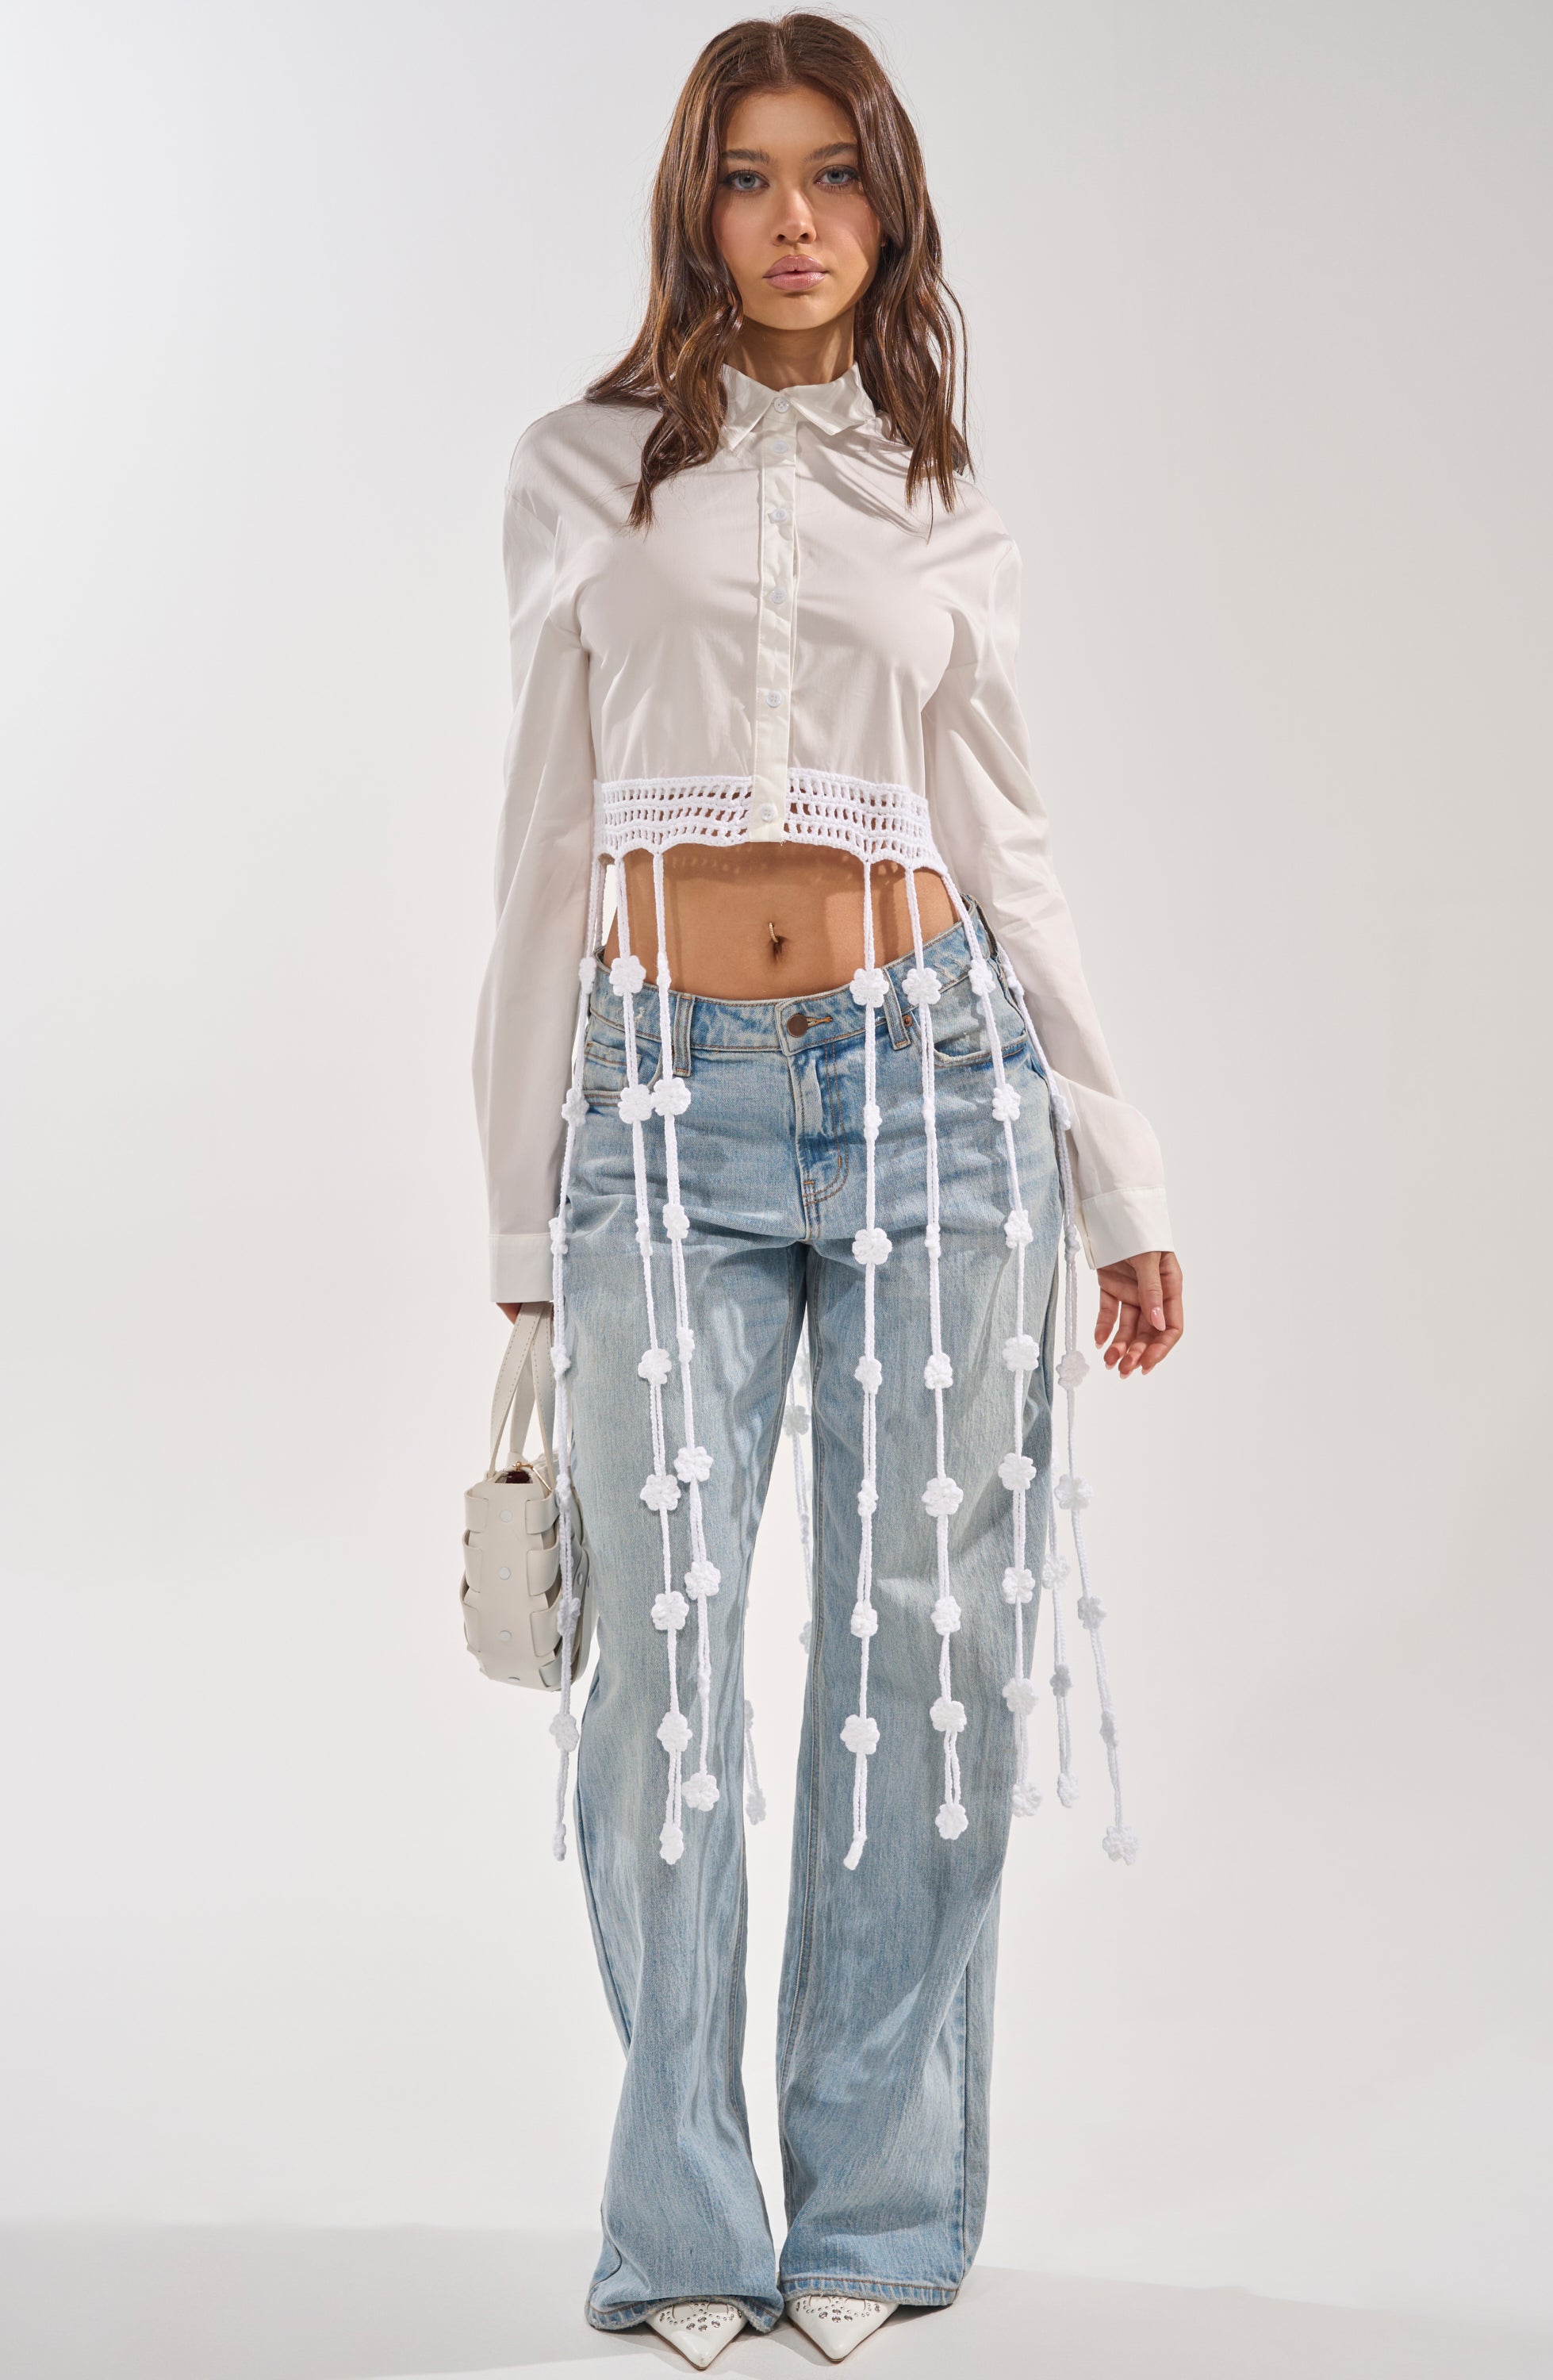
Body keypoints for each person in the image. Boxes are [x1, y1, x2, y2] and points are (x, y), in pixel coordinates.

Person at [474, 15, 1183, 2367]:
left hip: (942, 1092)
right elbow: (541, 859)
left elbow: (1017, 850)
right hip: (660, 1117)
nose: (794, 220)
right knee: (656, 1673)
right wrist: (516, 1249)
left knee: (920, 1659)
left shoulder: (940, 499)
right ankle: (683, 2221)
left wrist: (1120, 1172)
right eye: (752, 178)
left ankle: (874, 2211)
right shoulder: (583, 476)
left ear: (888, 213)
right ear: (696, 210)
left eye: (836, 179)